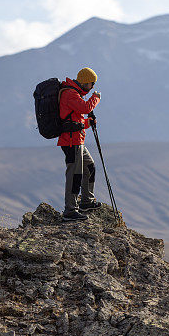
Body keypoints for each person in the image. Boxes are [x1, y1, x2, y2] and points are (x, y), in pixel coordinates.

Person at [58, 67, 102, 221]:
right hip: (71, 141)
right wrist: (96, 98)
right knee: (74, 175)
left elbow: (74, 119)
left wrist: (87, 123)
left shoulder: (73, 93)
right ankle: (70, 211)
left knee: (89, 166)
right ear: (85, 82)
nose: (92, 88)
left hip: (77, 139)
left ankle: (86, 201)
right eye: (92, 84)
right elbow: (85, 107)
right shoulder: (70, 93)